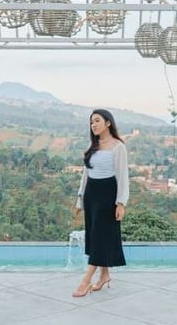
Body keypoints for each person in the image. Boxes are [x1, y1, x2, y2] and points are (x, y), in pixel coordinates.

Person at [72, 109, 129, 298]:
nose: (93, 125)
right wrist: (80, 200)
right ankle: (104, 275)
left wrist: (121, 203)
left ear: (108, 123)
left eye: (97, 121)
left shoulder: (118, 146)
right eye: (91, 122)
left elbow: (122, 176)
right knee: (95, 235)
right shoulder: (93, 145)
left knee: (100, 236)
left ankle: (86, 280)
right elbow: (85, 174)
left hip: (108, 195)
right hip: (91, 195)